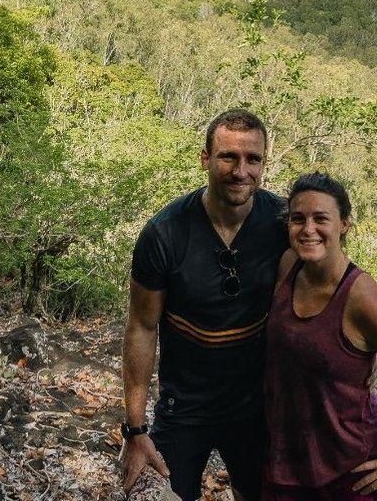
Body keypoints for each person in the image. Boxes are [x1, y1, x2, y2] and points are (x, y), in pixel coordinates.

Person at [122, 108, 288, 501]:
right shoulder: (165, 234)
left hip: (255, 406)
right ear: (206, 158)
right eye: (229, 156)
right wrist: (135, 429)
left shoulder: (283, 223)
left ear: (264, 163)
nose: (240, 170)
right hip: (185, 406)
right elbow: (142, 327)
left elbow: (329, 283)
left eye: (253, 159)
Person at [263, 173, 377, 501]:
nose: (308, 230)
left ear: (344, 224)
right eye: (298, 219)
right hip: (287, 458)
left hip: (350, 468)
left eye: (321, 219)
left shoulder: (360, 297)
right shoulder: (289, 265)